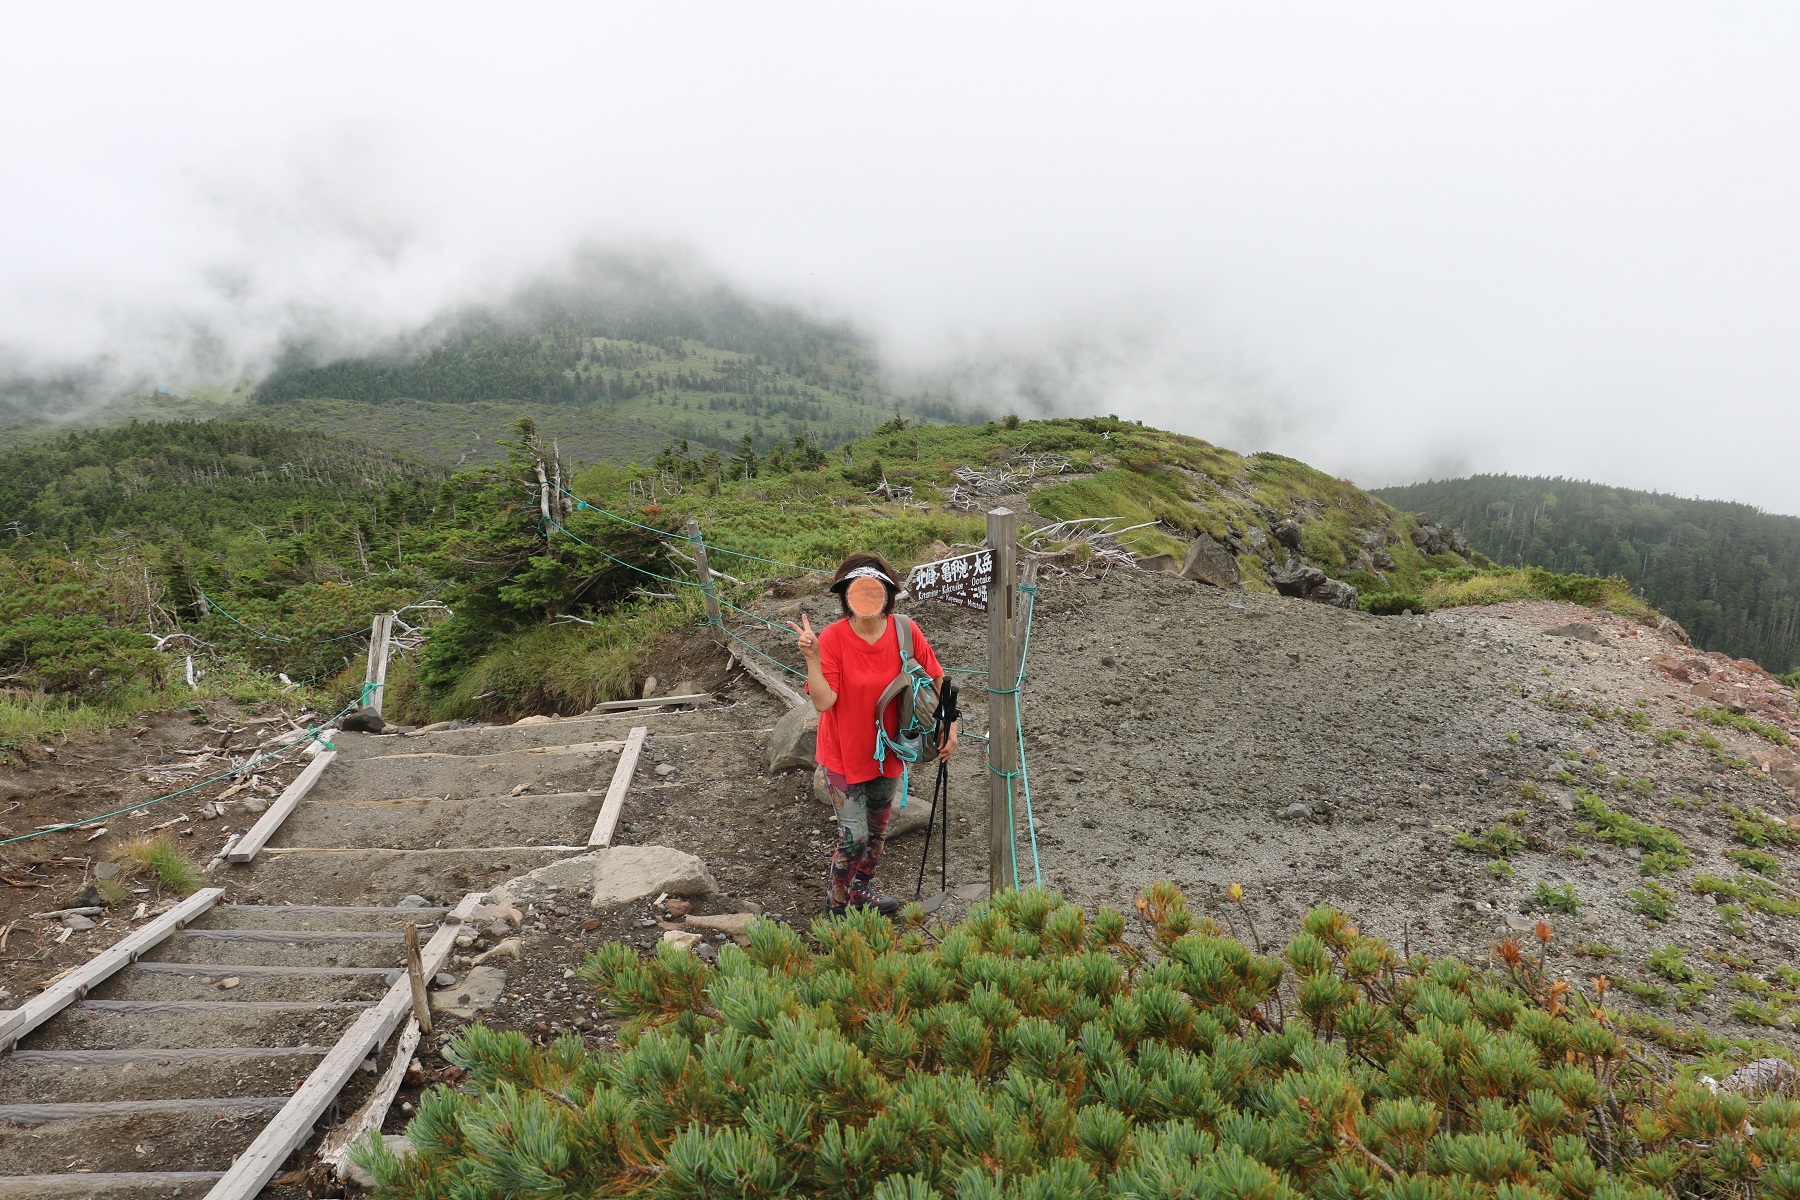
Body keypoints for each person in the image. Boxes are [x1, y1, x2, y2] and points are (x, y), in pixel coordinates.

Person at [789, 552, 958, 917]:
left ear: (888, 594)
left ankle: (861, 890)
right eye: (857, 589)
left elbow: (936, 679)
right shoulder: (832, 638)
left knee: (878, 834)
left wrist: (950, 726)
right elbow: (823, 701)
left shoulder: (905, 629)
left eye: (874, 589)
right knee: (854, 839)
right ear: (845, 595)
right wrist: (813, 658)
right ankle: (835, 909)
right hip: (843, 754)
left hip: (890, 752)